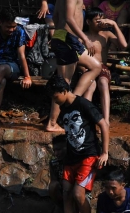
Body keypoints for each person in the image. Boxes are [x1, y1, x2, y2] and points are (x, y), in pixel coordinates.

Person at [46, 75, 109, 213]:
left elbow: (103, 124)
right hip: (71, 159)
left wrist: (104, 152)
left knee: (77, 193)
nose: (54, 100)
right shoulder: (64, 108)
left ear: (64, 91)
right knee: (66, 194)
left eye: (55, 96)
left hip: (89, 156)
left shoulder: (83, 104)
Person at [45, 0, 102, 132]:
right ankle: (53, 122)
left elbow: (56, 17)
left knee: (94, 67)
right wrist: (85, 39)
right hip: (67, 39)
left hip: (63, 37)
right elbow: (70, 19)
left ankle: (71, 100)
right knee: (64, 82)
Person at [82, 8, 127, 126]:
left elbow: (124, 45)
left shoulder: (106, 35)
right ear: (88, 22)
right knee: (90, 86)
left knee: (103, 83)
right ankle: (87, 119)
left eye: (102, 20)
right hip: (87, 68)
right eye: (97, 20)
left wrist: (114, 24)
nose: (101, 23)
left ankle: (106, 120)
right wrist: (83, 69)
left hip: (102, 68)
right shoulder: (84, 36)